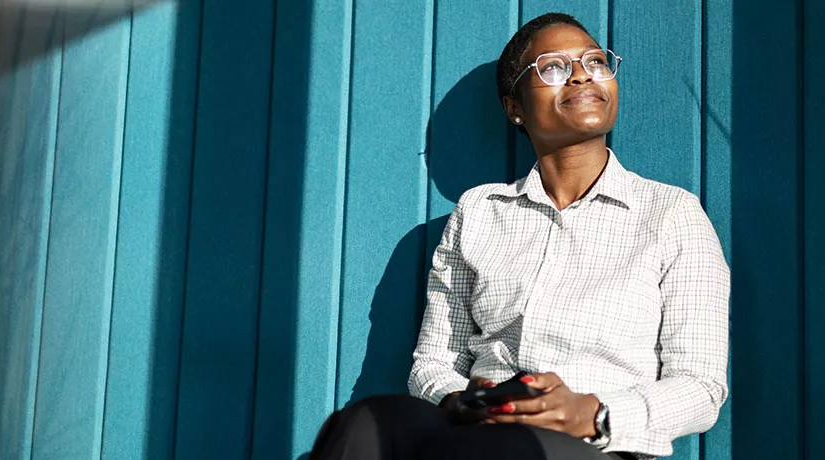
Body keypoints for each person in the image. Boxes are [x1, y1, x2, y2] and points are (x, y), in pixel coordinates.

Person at [310, 12, 730, 460]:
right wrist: (467, 399)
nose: (581, 75)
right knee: (367, 422)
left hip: (591, 447)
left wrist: (593, 413)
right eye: (553, 67)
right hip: (477, 429)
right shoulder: (479, 212)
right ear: (515, 108)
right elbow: (434, 363)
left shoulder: (671, 214)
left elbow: (701, 387)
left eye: (596, 61)